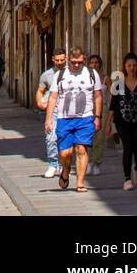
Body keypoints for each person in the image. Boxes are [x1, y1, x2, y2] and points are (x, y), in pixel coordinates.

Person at [44, 45, 103, 193]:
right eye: (73, 62)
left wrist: (97, 117)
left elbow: (98, 96)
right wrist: (48, 119)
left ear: (84, 60)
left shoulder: (91, 73)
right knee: (65, 154)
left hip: (85, 118)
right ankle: (65, 169)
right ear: (69, 60)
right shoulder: (61, 75)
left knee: (81, 149)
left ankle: (80, 183)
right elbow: (52, 98)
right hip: (65, 119)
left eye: (79, 62)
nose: (76, 65)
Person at [104, 51, 137, 190]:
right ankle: (127, 179)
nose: (132, 68)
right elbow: (113, 105)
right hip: (122, 121)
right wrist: (108, 124)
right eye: (129, 65)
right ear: (124, 67)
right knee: (127, 148)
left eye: (134, 65)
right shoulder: (120, 82)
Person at [36, 48, 66, 178]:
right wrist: (39, 102)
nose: (59, 62)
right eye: (57, 60)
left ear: (66, 59)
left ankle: (62, 165)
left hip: (67, 111)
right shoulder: (46, 75)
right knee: (51, 138)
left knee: (64, 139)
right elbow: (40, 91)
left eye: (62, 60)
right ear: (53, 59)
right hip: (52, 110)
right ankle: (53, 164)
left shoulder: (71, 74)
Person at [87, 55, 106, 177]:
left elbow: (115, 94)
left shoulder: (106, 79)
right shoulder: (85, 78)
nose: (94, 65)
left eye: (96, 62)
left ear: (100, 64)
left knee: (99, 138)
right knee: (88, 137)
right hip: (88, 110)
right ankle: (89, 162)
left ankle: (96, 163)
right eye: (92, 62)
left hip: (102, 110)